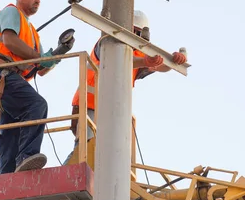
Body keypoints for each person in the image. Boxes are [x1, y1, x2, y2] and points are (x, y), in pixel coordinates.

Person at [65, 10, 187, 169]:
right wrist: (145, 61)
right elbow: (120, 58)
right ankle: (66, 176)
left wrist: (174, 61)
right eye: (134, 32)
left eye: (139, 34)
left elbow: (159, 66)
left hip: (112, 114)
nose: (135, 37)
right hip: (89, 105)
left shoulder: (137, 54)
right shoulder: (107, 42)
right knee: (85, 150)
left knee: (108, 155)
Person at [0, 0, 73, 174]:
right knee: (36, 105)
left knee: (12, 126)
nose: (37, 0)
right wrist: (38, 58)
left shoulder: (31, 31)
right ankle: (26, 156)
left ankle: (8, 174)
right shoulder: (11, 12)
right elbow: (10, 42)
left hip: (7, 77)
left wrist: (58, 53)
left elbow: (40, 69)